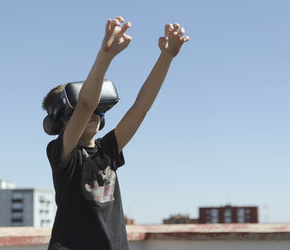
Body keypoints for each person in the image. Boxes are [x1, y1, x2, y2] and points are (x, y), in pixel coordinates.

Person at [42, 16, 189, 250]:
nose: (92, 114)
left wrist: (166, 57)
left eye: (99, 109)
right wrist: (105, 56)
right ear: (59, 125)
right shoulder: (63, 153)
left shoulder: (107, 149)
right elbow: (86, 105)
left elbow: (141, 106)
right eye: (75, 113)